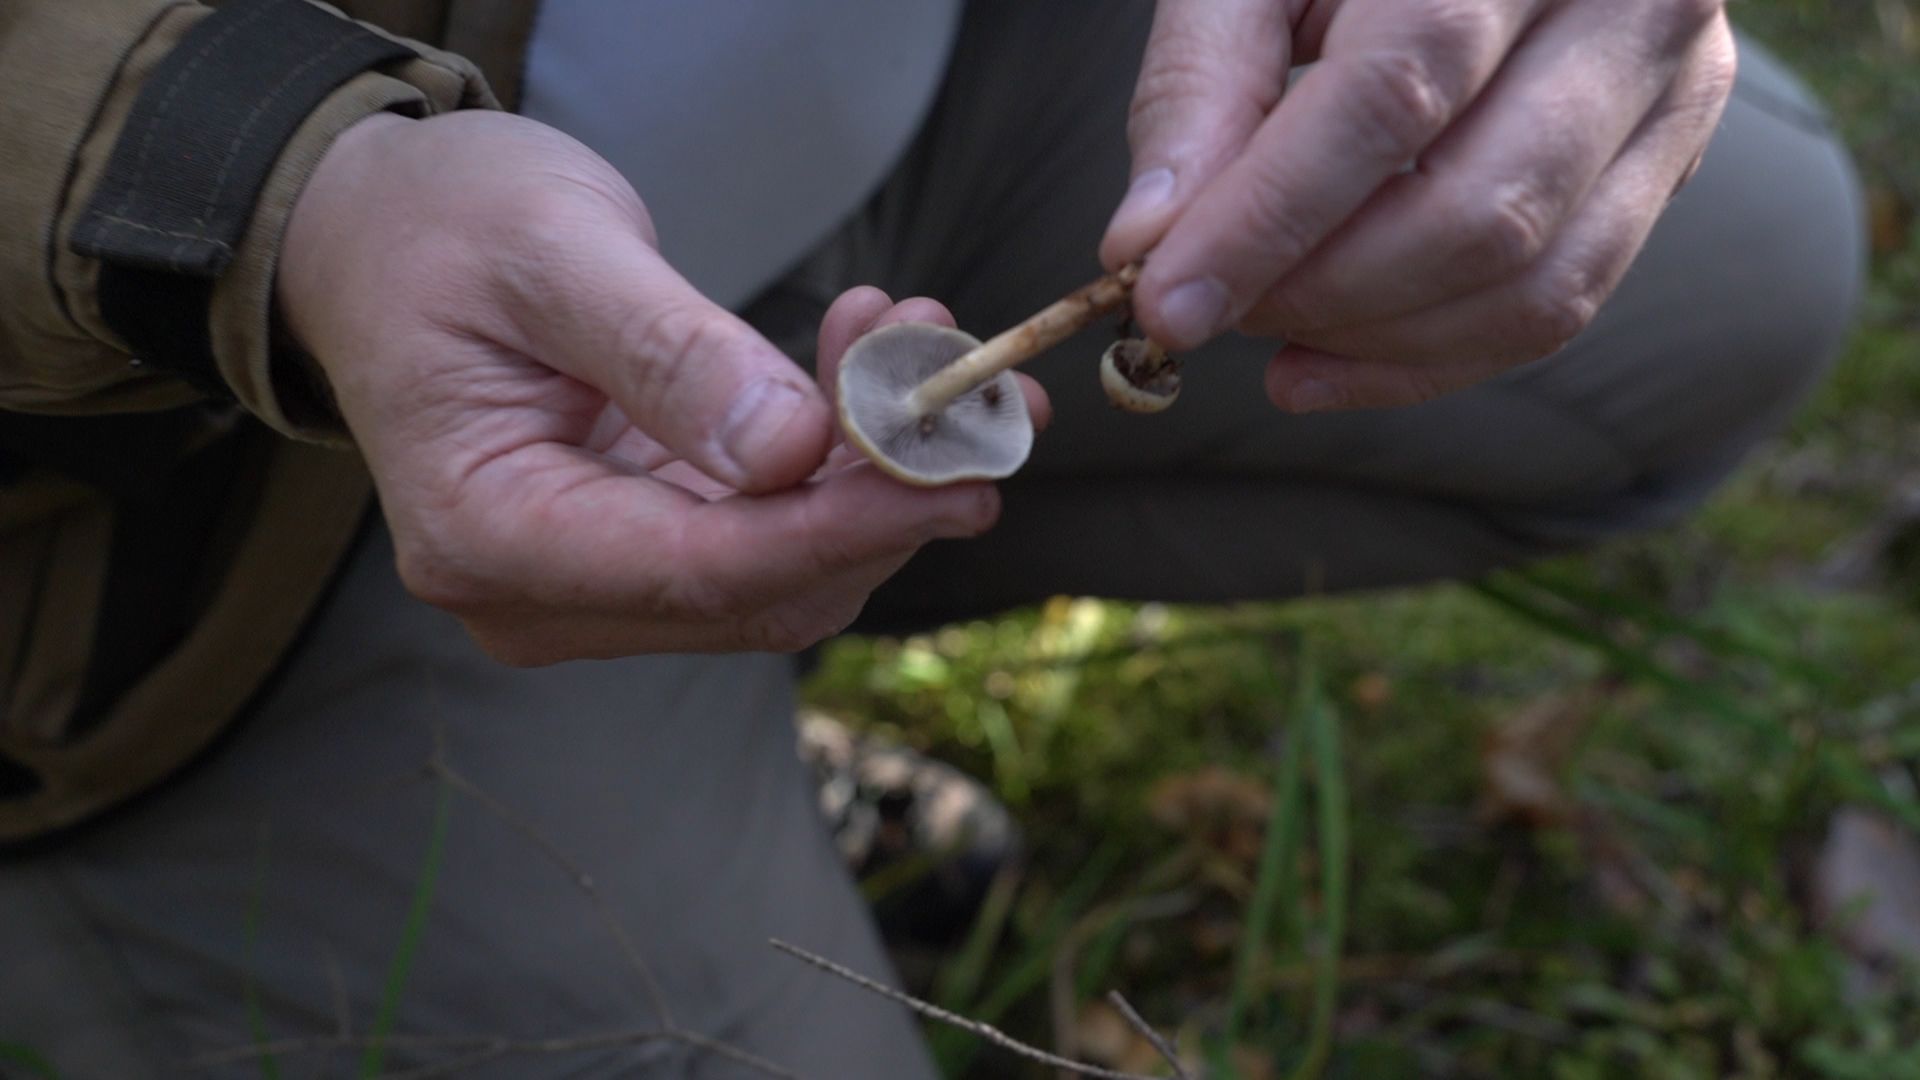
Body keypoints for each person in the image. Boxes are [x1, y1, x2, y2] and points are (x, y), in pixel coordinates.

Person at [0, 0, 1862, 1076]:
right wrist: (255, 184)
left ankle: (723, 673)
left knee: (1730, 268)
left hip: (931, 79)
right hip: (189, 449)